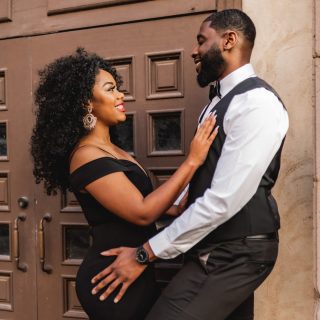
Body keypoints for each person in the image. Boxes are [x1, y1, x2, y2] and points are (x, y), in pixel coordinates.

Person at [90, 9, 289, 320]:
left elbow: (222, 200)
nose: (194, 51)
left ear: (229, 40)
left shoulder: (257, 104)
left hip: (234, 254)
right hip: (215, 249)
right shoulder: (217, 102)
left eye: (201, 41)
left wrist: (144, 254)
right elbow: (209, 180)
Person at [30, 48, 218, 320]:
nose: (121, 96)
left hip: (134, 268)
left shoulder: (113, 150)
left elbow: (150, 204)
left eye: (118, 88)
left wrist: (181, 200)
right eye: (110, 89)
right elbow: (142, 211)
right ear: (86, 103)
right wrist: (193, 160)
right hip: (111, 276)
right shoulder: (85, 155)